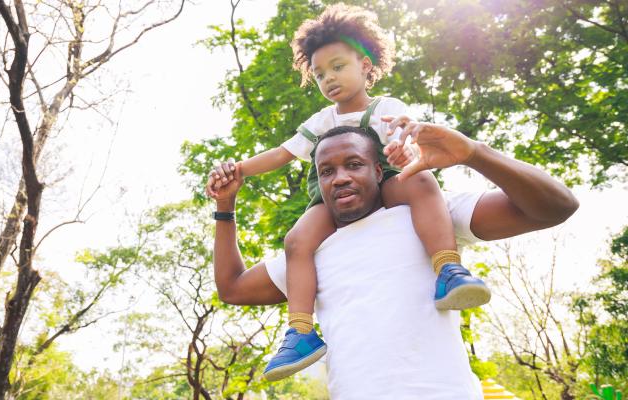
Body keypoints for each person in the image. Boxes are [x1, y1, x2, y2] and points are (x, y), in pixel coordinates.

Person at [207, 4, 489, 380]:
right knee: (296, 241)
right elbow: (281, 154)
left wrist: (407, 151)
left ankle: (448, 268)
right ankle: (301, 330)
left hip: (387, 179)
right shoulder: (321, 122)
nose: (329, 79)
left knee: (422, 182)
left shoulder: (385, 108)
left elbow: (409, 141)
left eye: (338, 67)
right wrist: (236, 170)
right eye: (320, 74)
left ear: (366, 65)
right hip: (335, 199)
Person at [209, 121, 579, 398]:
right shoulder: (310, 251)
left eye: (353, 164)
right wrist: (225, 207)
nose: (339, 178)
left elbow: (556, 206)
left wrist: (473, 153)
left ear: (377, 170)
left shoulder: (430, 218)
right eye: (327, 171)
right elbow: (232, 287)